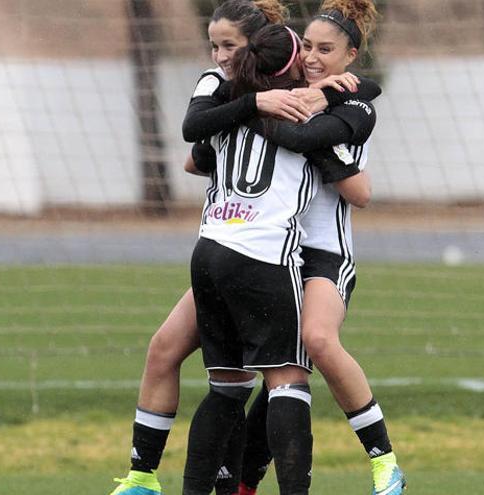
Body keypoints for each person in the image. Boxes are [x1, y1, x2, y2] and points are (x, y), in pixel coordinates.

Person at [109, 1, 367, 494]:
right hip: (242, 246)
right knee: (203, 366)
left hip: (303, 252)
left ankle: (244, 482)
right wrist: (252, 110)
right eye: (214, 45)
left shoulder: (326, 99)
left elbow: (361, 189)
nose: (219, 55)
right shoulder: (224, 90)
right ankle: (148, 476)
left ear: (261, 48)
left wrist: (305, 125)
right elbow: (194, 148)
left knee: (286, 370)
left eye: (229, 46)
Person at [182, 22, 349, 495]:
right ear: (292, 65)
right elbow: (358, 188)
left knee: (227, 388)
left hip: (208, 248)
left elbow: (195, 153)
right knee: (288, 382)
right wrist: (329, 95)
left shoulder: (225, 108)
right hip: (262, 254)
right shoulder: (301, 112)